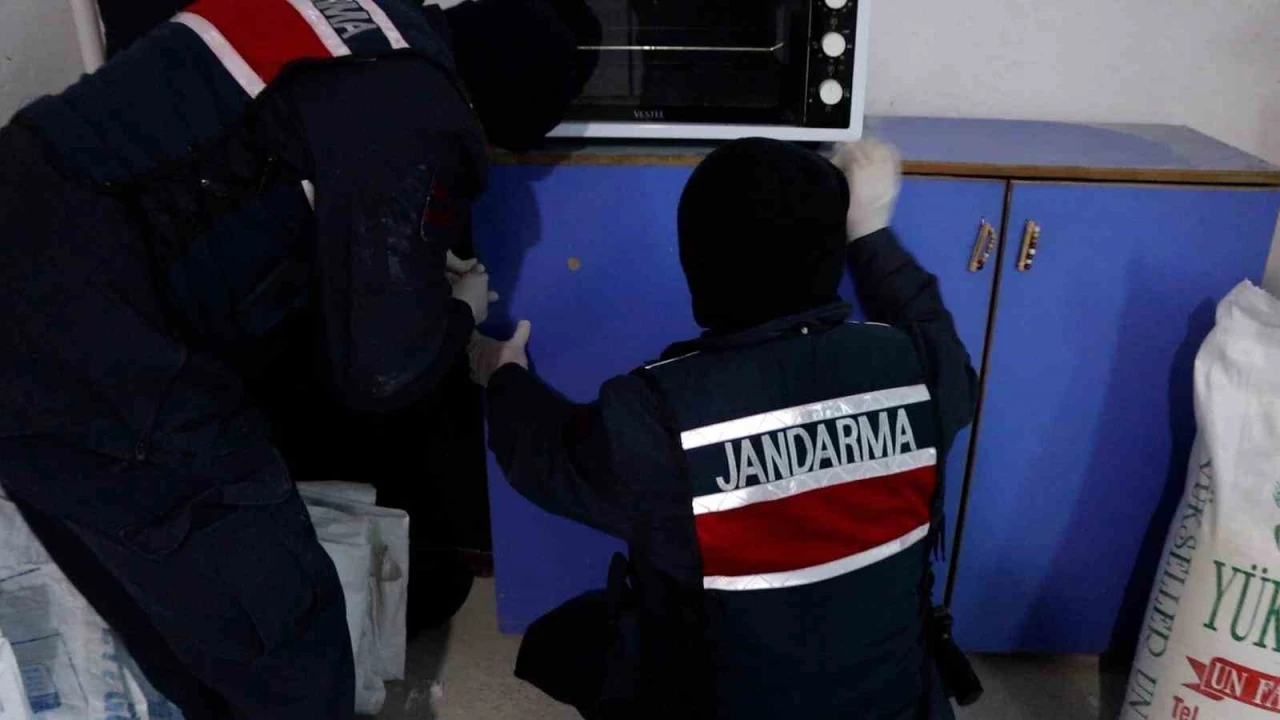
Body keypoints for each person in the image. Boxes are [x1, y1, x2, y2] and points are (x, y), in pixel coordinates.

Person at [0, 0, 591, 717]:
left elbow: (261, 168)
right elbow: (382, 371)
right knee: (285, 628)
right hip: (87, 328)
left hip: (28, 235)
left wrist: (398, 265)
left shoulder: (372, 26)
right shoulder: (423, 112)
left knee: (167, 610)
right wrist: (457, 313)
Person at [469, 138, 980, 719]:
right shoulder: (922, 366)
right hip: (904, 706)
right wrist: (870, 231)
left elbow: (542, 458)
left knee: (569, 643)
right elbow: (930, 324)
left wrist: (502, 371)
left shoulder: (657, 411)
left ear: (696, 268)